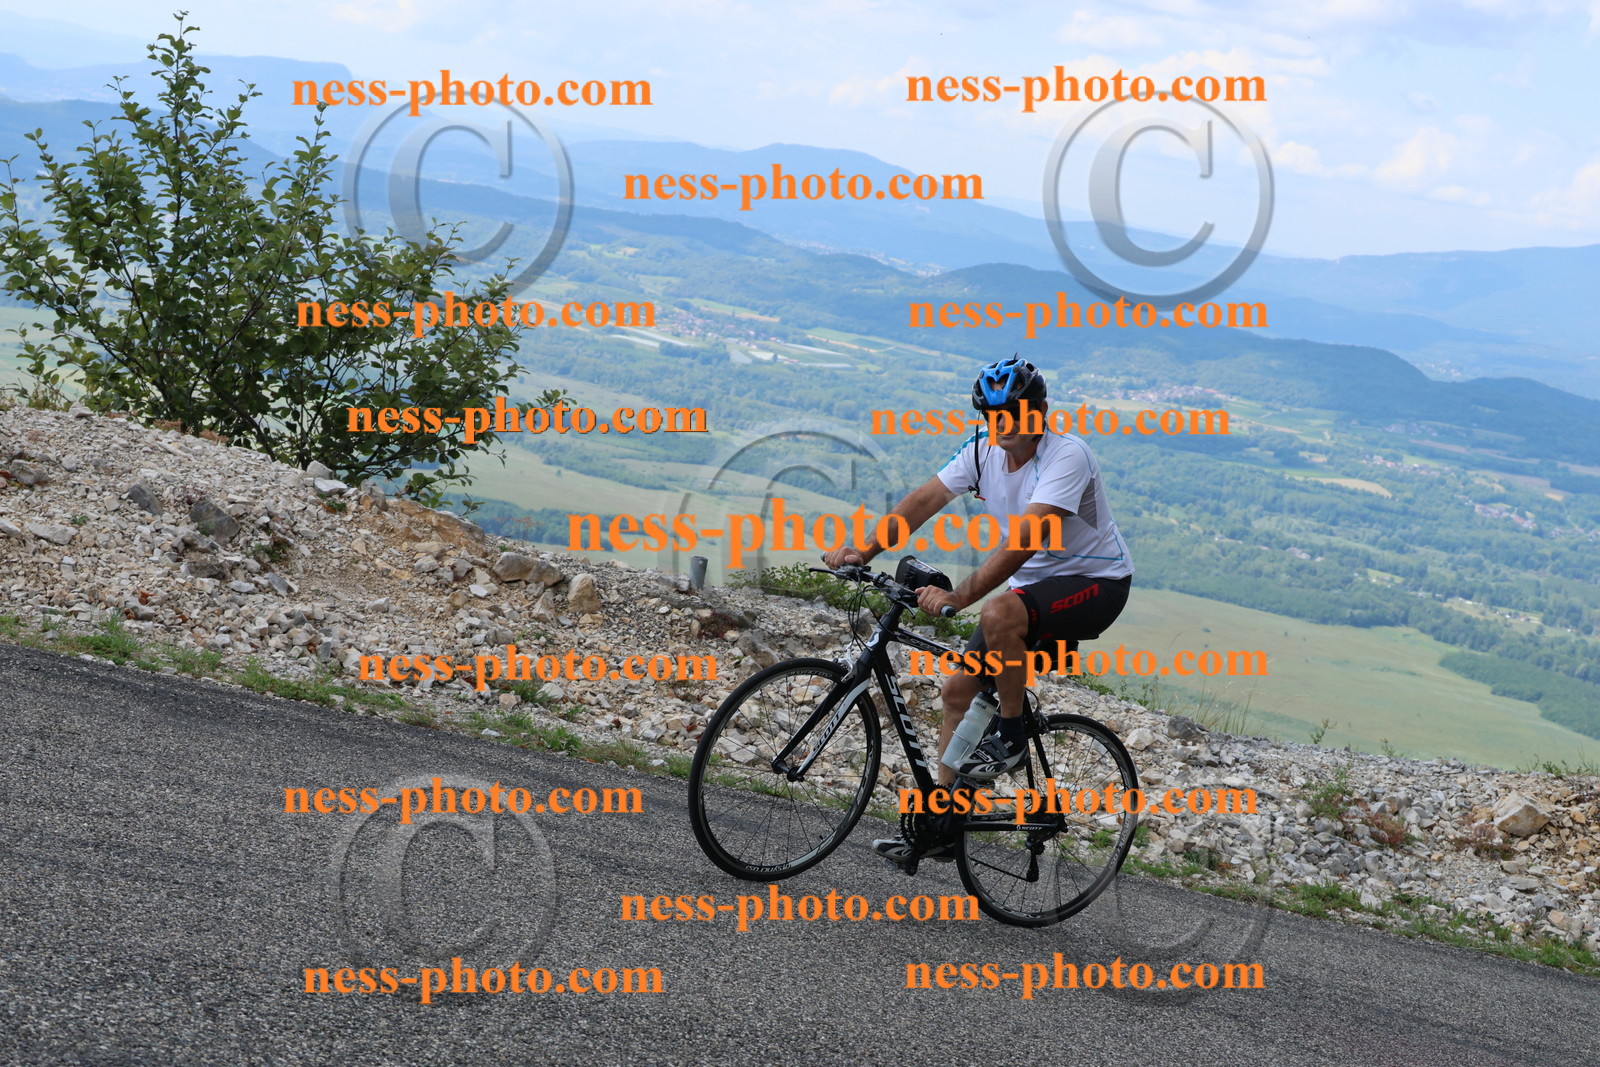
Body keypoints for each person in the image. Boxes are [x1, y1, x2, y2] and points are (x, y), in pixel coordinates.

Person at [821, 356, 1133, 866]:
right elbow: (925, 499)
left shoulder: (1066, 457)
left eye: (1013, 412)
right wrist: (864, 549)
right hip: (1032, 592)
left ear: (1040, 412)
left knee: (999, 612)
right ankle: (944, 824)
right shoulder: (983, 450)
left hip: (1097, 584)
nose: (1001, 424)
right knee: (958, 691)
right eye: (992, 414)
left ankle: (1011, 738)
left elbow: (1026, 542)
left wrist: (958, 596)